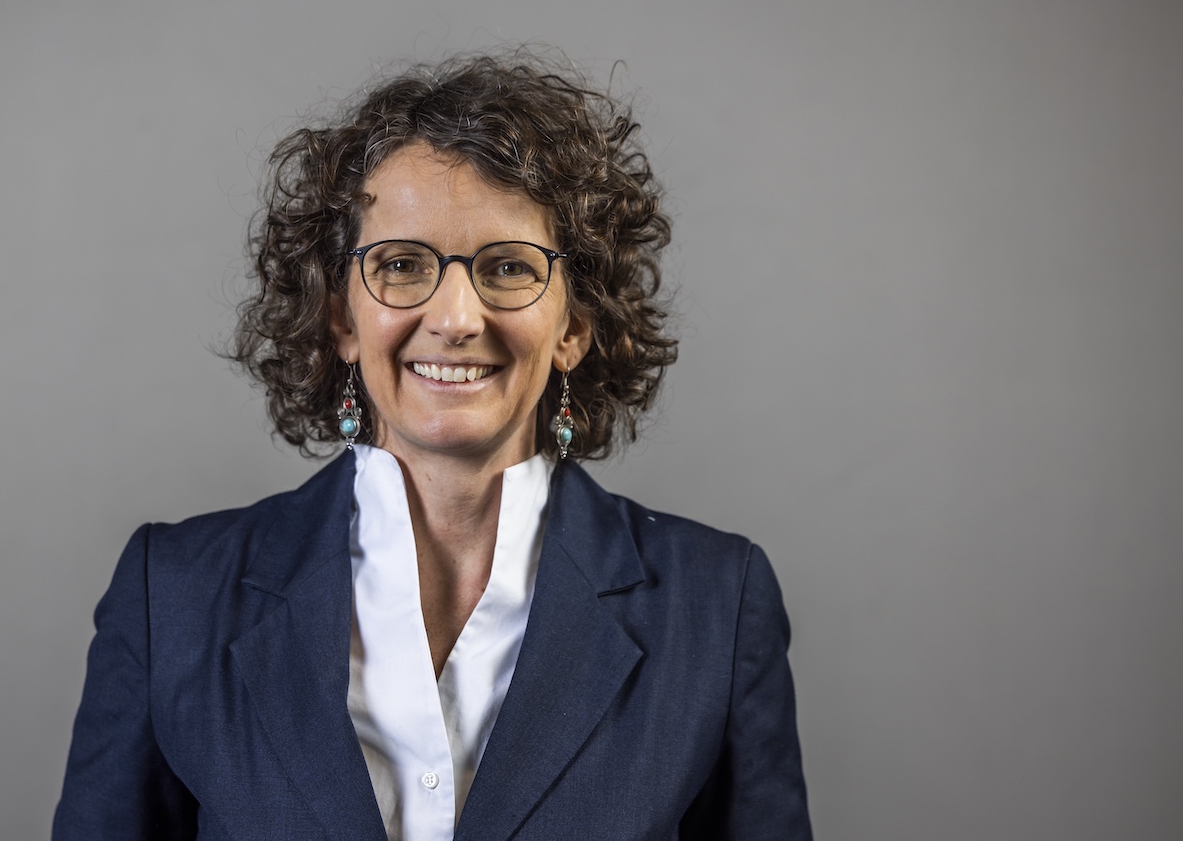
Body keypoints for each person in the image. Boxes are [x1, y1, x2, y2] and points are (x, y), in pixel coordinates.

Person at [54, 52, 811, 840]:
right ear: (342, 319)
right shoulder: (173, 598)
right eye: (402, 265)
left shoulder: (716, 608)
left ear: (575, 326)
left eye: (508, 268)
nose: (454, 319)